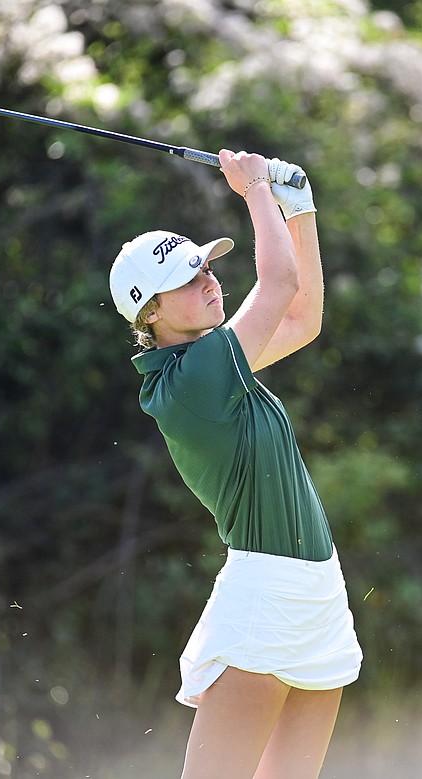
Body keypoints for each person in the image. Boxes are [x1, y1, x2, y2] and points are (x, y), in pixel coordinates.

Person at [108, 150, 362, 779]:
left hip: (319, 592)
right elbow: (277, 285)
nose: (209, 281)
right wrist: (255, 192)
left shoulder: (217, 361)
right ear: (152, 314)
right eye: (188, 279)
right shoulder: (193, 378)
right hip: (266, 601)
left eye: (205, 268)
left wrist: (299, 212)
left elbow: (302, 319)